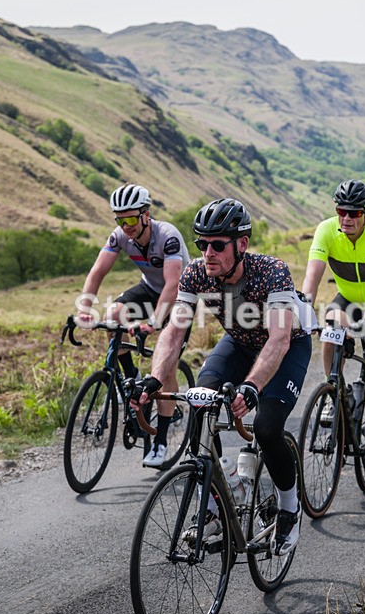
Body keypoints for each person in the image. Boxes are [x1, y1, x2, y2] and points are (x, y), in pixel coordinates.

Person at [132, 198, 313, 555]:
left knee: (266, 427)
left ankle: (290, 507)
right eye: (201, 244)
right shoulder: (196, 273)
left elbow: (278, 338)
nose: (207, 252)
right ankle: (215, 502)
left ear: (241, 244)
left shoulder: (271, 271)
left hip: (287, 347)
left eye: (217, 244)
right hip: (240, 341)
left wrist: (253, 386)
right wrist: (154, 378)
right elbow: (174, 330)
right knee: (201, 403)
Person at [76, 183, 190, 468]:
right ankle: (130, 375)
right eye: (119, 219)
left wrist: (153, 322)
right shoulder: (119, 236)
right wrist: (84, 308)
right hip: (149, 288)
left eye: (130, 219)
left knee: (165, 365)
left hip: (182, 296)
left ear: (145, 215)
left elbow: (173, 285)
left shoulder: (168, 237)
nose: (125, 225)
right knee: (114, 313)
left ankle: (161, 441)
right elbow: (97, 271)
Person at [301, 180, 365, 482]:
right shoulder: (326, 230)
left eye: (354, 213)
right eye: (341, 211)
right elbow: (313, 275)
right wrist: (305, 307)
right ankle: (334, 392)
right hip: (348, 299)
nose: (346, 218)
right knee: (330, 328)